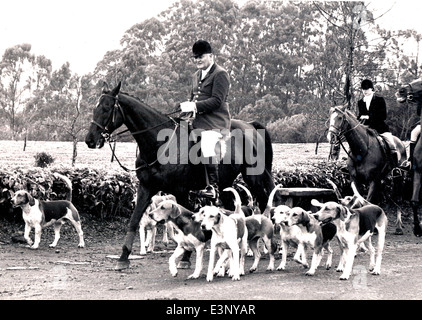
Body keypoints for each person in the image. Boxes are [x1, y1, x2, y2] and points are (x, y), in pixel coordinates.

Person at [178, 40, 231, 200]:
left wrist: (194, 106)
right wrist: (184, 111)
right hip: (197, 122)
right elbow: (193, 97)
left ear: (210, 56)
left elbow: (217, 101)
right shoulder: (195, 76)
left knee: (207, 143)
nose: (198, 60)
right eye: (195, 58)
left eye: (200, 57)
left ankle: (212, 187)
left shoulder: (220, 74)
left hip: (215, 122)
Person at [357, 79, 399, 166]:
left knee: (391, 144)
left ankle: (395, 167)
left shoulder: (379, 100)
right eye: (363, 89)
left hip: (380, 128)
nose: (365, 91)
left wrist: (369, 117)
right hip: (365, 128)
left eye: (367, 89)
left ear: (372, 89)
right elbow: (360, 115)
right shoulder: (360, 102)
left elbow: (383, 116)